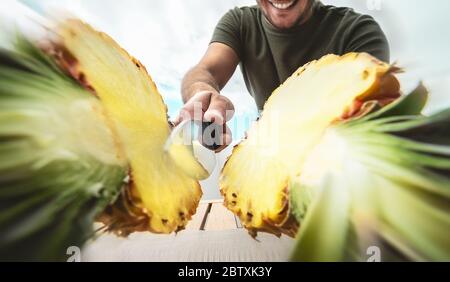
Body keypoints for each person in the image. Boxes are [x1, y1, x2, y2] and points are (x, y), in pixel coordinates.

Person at [176, 0, 389, 151]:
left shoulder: (357, 31)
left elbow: (365, 118)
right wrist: (204, 93)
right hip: (265, 160)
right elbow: (206, 71)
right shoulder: (239, 23)